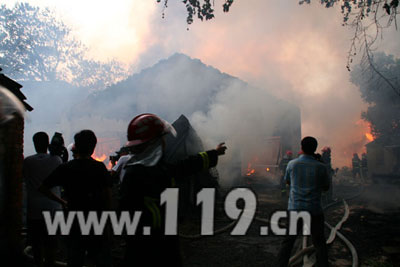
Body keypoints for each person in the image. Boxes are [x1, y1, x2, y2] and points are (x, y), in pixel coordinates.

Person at [119, 113, 227, 267]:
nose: (165, 143)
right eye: (162, 139)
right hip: (149, 244)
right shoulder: (137, 174)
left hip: (162, 238)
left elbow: (185, 166)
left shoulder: (153, 168)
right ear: (152, 143)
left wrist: (213, 154)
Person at [40, 130, 113, 267]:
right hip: (96, 221)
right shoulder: (99, 168)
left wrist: (62, 201)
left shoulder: (66, 168)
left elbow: (43, 188)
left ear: (76, 147)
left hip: (73, 221)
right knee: (100, 259)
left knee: (74, 258)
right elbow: (108, 196)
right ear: (93, 147)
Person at [277, 136, 329, 267]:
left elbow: (287, 182)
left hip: (295, 208)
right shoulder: (321, 167)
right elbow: (326, 187)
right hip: (315, 210)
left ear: (301, 147)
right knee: (319, 243)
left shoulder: (292, 164)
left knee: (288, 242)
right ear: (315, 149)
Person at [23, 132, 63, 267]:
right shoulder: (56, 160)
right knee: (51, 246)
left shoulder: (28, 161)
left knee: (36, 247)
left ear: (34, 144)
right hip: (53, 210)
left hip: (34, 211)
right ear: (48, 144)